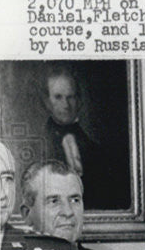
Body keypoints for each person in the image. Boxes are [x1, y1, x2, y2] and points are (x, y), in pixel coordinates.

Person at [40, 66, 129, 210]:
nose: (66, 105)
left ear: (79, 101)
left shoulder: (95, 150)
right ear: (47, 102)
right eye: (58, 97)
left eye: (71, 97)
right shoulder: (39, 147)